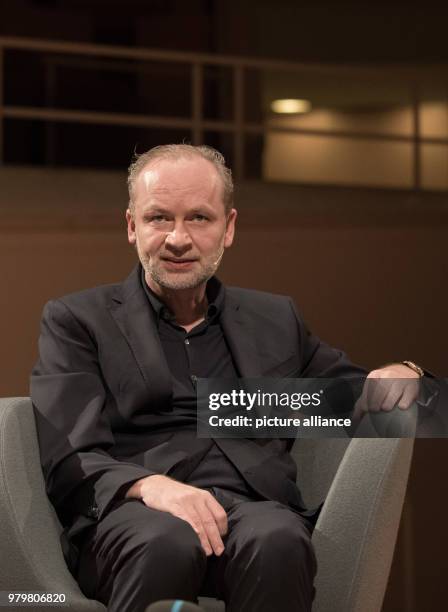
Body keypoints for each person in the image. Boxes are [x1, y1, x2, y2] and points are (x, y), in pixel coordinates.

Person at [31, 144, 422, 612]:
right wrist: (153, 487)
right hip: (138, 516)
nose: (178, 238)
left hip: (252, 509)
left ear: (228, 228)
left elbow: (351, 395)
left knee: (279, 538)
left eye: (199, 217)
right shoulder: (78, 319)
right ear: (132, 226)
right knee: (165, 541)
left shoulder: (275, 318)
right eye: (159, 218)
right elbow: (69, 454)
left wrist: (407, 372)